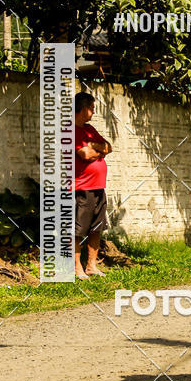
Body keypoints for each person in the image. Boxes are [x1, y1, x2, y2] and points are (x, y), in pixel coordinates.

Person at [74, 92, 113, 280]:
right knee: (78, 230)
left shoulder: (90, 129)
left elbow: (108, 147)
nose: (94, 111)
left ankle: (91, 266)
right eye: (91, 107)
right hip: (82, 188)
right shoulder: (69, 130)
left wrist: (95, 147)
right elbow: (85, 155)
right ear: (82, 108)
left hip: (98, 187)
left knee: (96, 228)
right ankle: (76, 268)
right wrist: (99, 152)